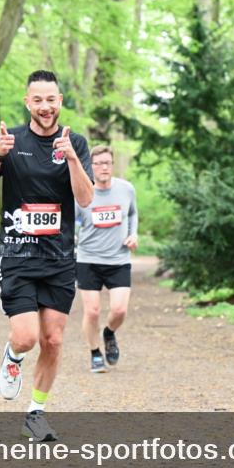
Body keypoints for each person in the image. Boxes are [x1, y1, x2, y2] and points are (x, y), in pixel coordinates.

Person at [0, 70, 94, 442]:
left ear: (60, 101)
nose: (45, 106)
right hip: (17, 256)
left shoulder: (77, 143)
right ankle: (13, 358)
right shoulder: (10, 141)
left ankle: (35, 413)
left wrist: (73, 159)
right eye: (37, 100)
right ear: (28, 102)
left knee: (53, 340)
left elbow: (86, 199)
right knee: (26, 337)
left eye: (51, 99)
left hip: (58, 259)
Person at [74, 145, 138, 373]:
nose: (103, 167)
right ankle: (94, 353)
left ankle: (109, 332)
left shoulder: (126, 189)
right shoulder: (83, 191)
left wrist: (133, 234)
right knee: (91, 311)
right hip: (88, 259)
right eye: (98, 163)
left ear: (112, 165)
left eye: (107, 163)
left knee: (119, 310)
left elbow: (132, 213)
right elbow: (72, 222)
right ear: (90, 167)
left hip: (118, 259)